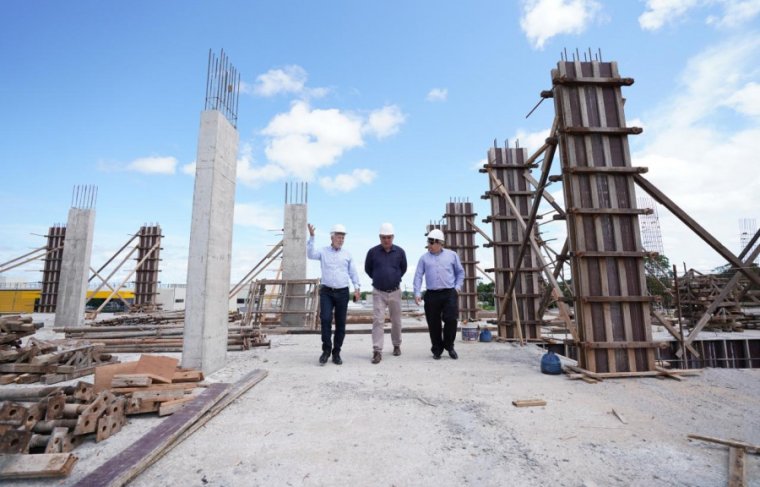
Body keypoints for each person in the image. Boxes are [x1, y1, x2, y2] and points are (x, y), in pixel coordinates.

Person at [307, 223, 361, 365]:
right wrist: (312, 237)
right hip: (327, 291)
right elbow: (310, 254)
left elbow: (353, 272)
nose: (341, 239)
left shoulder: (347, 254)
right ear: (332, 237)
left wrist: (357, 287)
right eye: (338, 236)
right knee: (325, 319)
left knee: (340, 323)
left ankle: (336, 352)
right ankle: (326, 350)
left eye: (343, 237)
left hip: (343, 292)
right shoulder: (323, 252)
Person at [413, 229, 464, 360]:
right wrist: (417, 292)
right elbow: (418, 276)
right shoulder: (423, 258)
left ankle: (449, 346)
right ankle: (437, 349)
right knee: (433, 323)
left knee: (451, 319)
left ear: (439, 242)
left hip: (449, 293)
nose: (428, 245)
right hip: (431, 294)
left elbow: (460, 272)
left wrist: (457, 287)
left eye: (431, 242)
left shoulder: (452, 256)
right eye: (428, 242)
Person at [364, 223, 407, 364]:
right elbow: (368, 269)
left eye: (388, 237)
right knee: (378, 320)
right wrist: (379, 278)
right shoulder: (372, 252)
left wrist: (393, 277)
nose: (386, 240)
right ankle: (377, 351)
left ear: (393, 237)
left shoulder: (400, 252)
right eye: (383, 237)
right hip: (378, 292)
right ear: (380, 237)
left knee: (396, 321)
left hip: (395, 292)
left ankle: (396, 345)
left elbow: (403, 268)